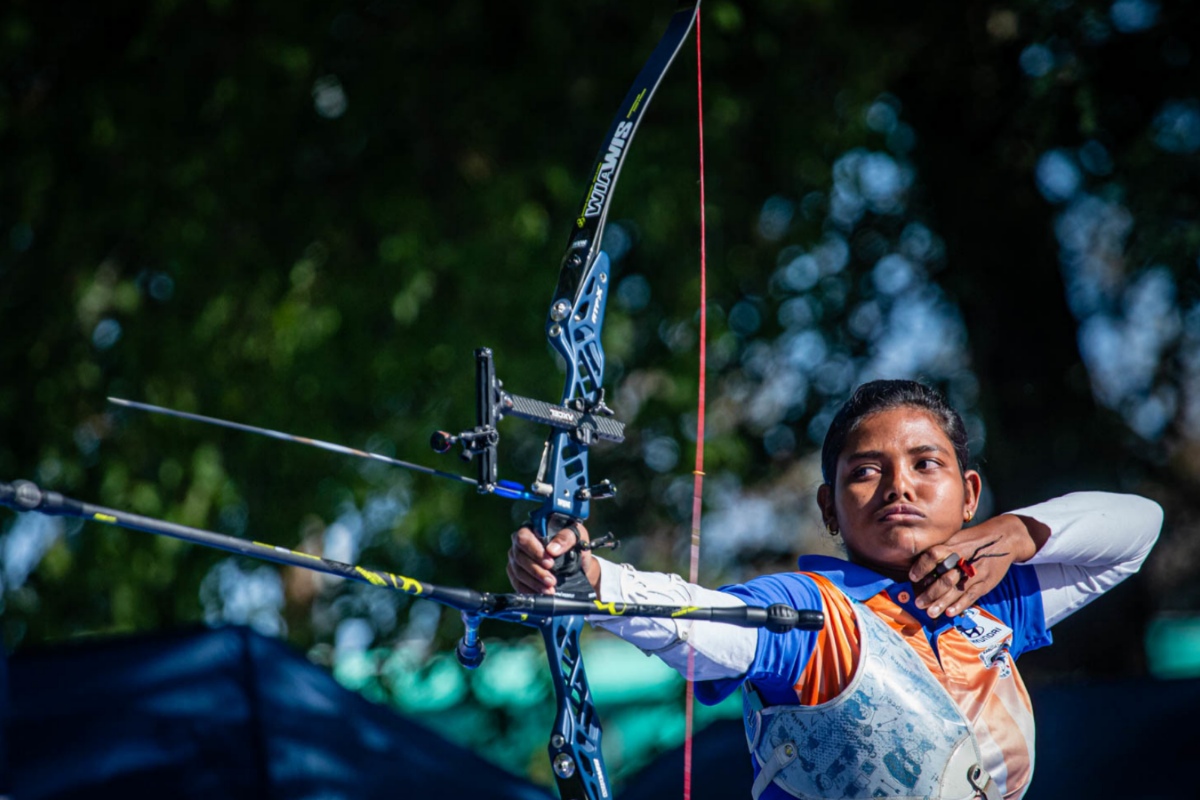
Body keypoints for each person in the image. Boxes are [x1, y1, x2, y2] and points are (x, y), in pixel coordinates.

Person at [507, 380, 1162, 800]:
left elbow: (1137, 530)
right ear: (829, 508)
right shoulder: (814, 612)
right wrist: (594, 581)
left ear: (969, 496)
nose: (898, 486)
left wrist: (1019, 532)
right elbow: (707, 625)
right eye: (866, 471)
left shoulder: (989, 600)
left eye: (926, 464)